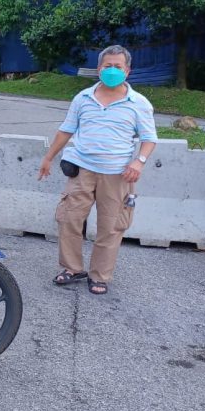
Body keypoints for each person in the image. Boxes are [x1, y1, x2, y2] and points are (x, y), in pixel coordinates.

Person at [38, 45, 157, 295]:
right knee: (69, 218)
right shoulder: (83, 98)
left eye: (117, 66)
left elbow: (149, 138)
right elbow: (66, 130)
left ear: (128, 71)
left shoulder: (139, 103)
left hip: (117, 174)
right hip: (82, 170)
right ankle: (72, 268)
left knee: (111, 226)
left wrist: (139, 161)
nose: (112, 70)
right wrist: (48, 157)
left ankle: (99, 275)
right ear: (99, 68)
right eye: (107, 66)